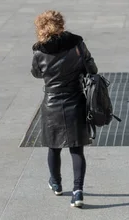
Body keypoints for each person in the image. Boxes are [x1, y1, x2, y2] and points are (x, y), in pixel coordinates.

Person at [31, 10, 97, 208]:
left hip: (51, 103)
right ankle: (77, 192)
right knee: (77, 149)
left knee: (54, 146)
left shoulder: (39, 51)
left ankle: (56, 183)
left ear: (41, 28)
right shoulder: (77, 44)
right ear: (61, 24)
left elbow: (36, 73)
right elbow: (92, 68)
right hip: (75, 100)